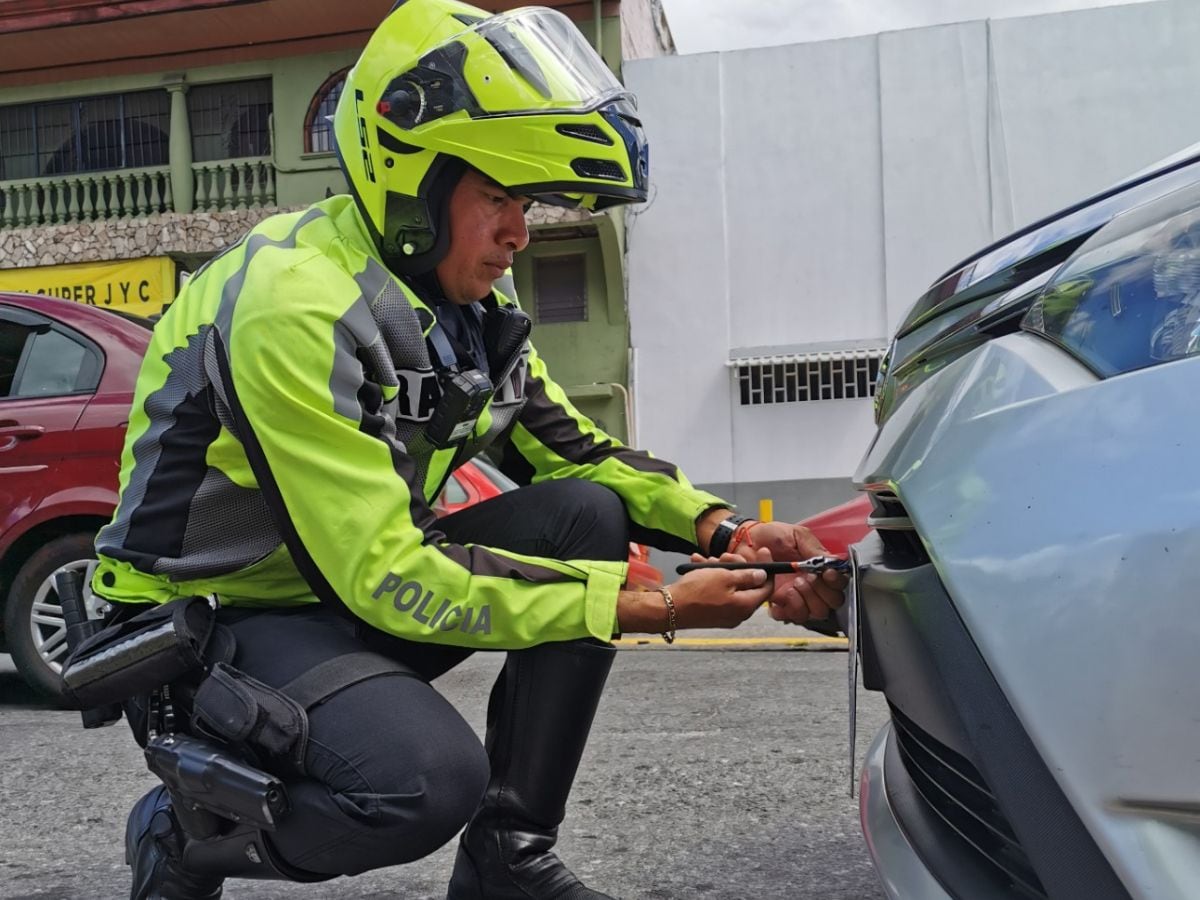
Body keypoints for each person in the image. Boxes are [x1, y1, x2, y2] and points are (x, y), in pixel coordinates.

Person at [91, 2, 846, 898]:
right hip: (208, 621)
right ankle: (185, 836)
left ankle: (507, 861)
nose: (520, 233)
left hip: (333, 597)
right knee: (418, 783)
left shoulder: (467, 305)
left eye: (526, 203)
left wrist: (722, 531)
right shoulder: (294, 303)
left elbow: (575, 453)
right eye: (499, 198)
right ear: (412, 174)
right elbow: (380, 572)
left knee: (585, 514)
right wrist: (656, 608)